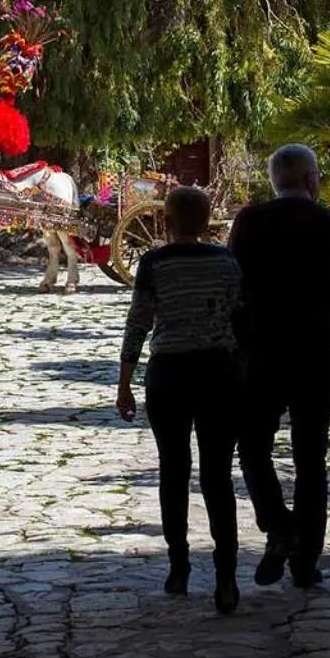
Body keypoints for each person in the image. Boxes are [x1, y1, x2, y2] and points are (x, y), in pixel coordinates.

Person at [229, 143, 330, 589]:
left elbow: (233, 286)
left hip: (262, 353)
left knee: (253, 448)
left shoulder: (250, 222)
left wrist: (234, 346)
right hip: (316, 355)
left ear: (274, 181)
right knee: (311, 459)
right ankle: (304, 561)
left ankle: (279, 527)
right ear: (313, 179)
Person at [115, 186, 245, 614]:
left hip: (169, 373)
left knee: (173, 471)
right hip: (218, 372)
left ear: (166, 223)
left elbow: (139, 322)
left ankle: (179, 567)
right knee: (217, 476)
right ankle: (226, 577)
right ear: (206, 223)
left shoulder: (154, 263)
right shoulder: (226, 261)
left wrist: (124, 380)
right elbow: (238, 317)